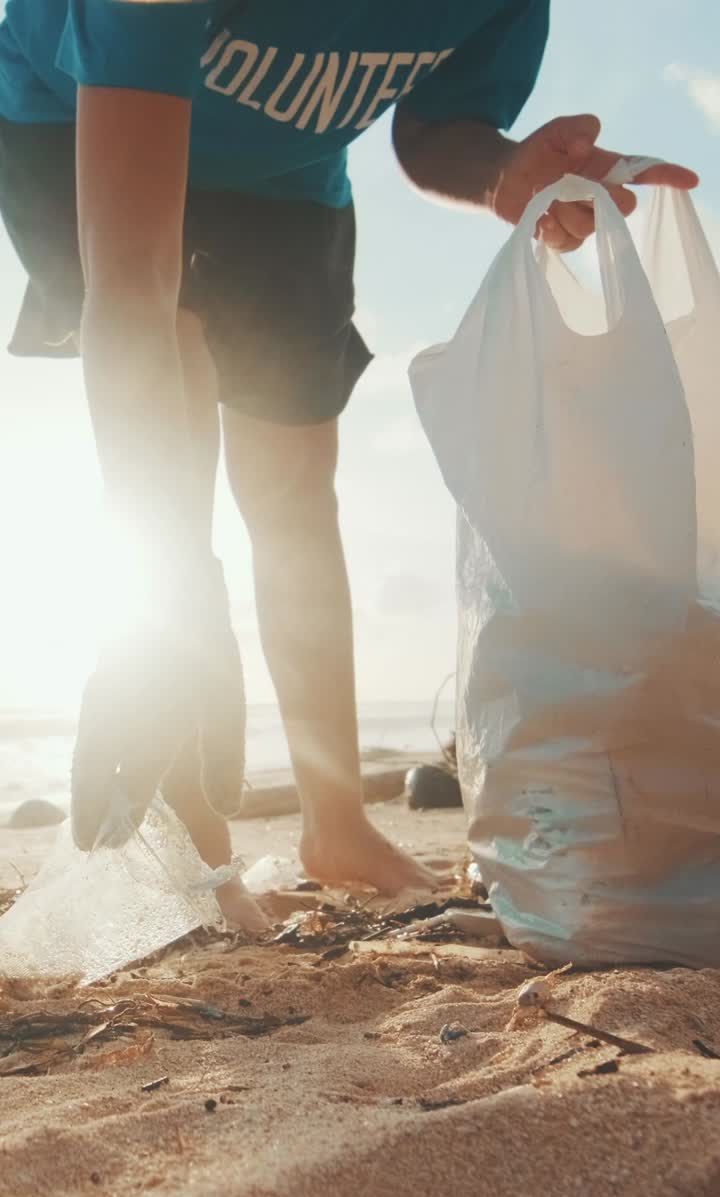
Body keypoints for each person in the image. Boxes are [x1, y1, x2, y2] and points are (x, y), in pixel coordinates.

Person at [0, 0, 697, 928]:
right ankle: (197, 851)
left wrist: (499, 171)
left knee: (295, 491)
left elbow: (430, 127)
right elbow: (130, 290)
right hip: (80, 111)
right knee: (174, 441)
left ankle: (336, 824)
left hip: (288, 180)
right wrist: (167, 598)